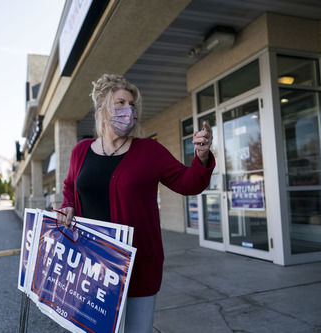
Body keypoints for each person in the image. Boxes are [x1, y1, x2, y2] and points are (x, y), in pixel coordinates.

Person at [57, 74, 215, 332]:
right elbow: (70, 188)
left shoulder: (149, 151)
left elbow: (189, 183)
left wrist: (202, 155)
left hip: (138, 267)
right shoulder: (81, 150)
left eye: (131, 104)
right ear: (102, 109)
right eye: (120, 103)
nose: (128, 110)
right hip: (92, 267)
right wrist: (68, 206)